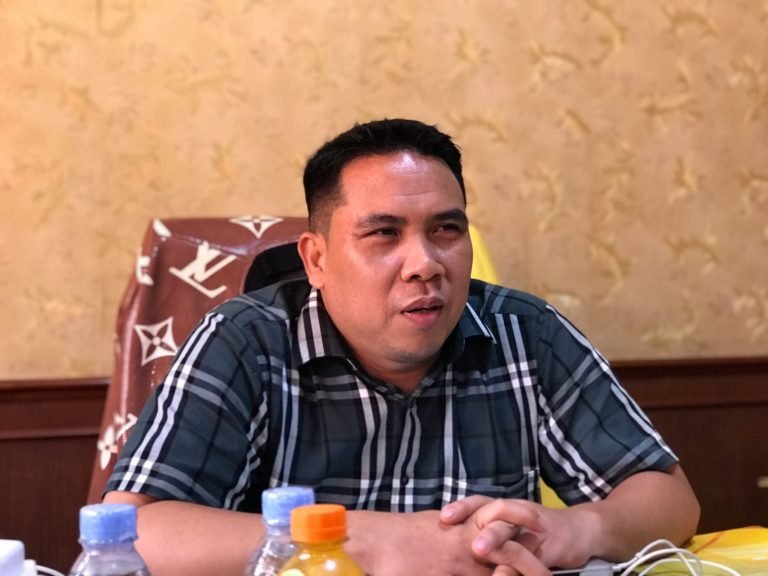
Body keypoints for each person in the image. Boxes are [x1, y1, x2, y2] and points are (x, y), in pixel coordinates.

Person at [104, 118, 700, 576]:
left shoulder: (526, 332)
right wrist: (371, 542)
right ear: (316, 259)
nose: (426, 264)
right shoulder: (244, 340)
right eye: (384, 234)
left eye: (446, 230)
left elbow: (670, 498)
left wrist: (577, 530)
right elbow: (137, 531)